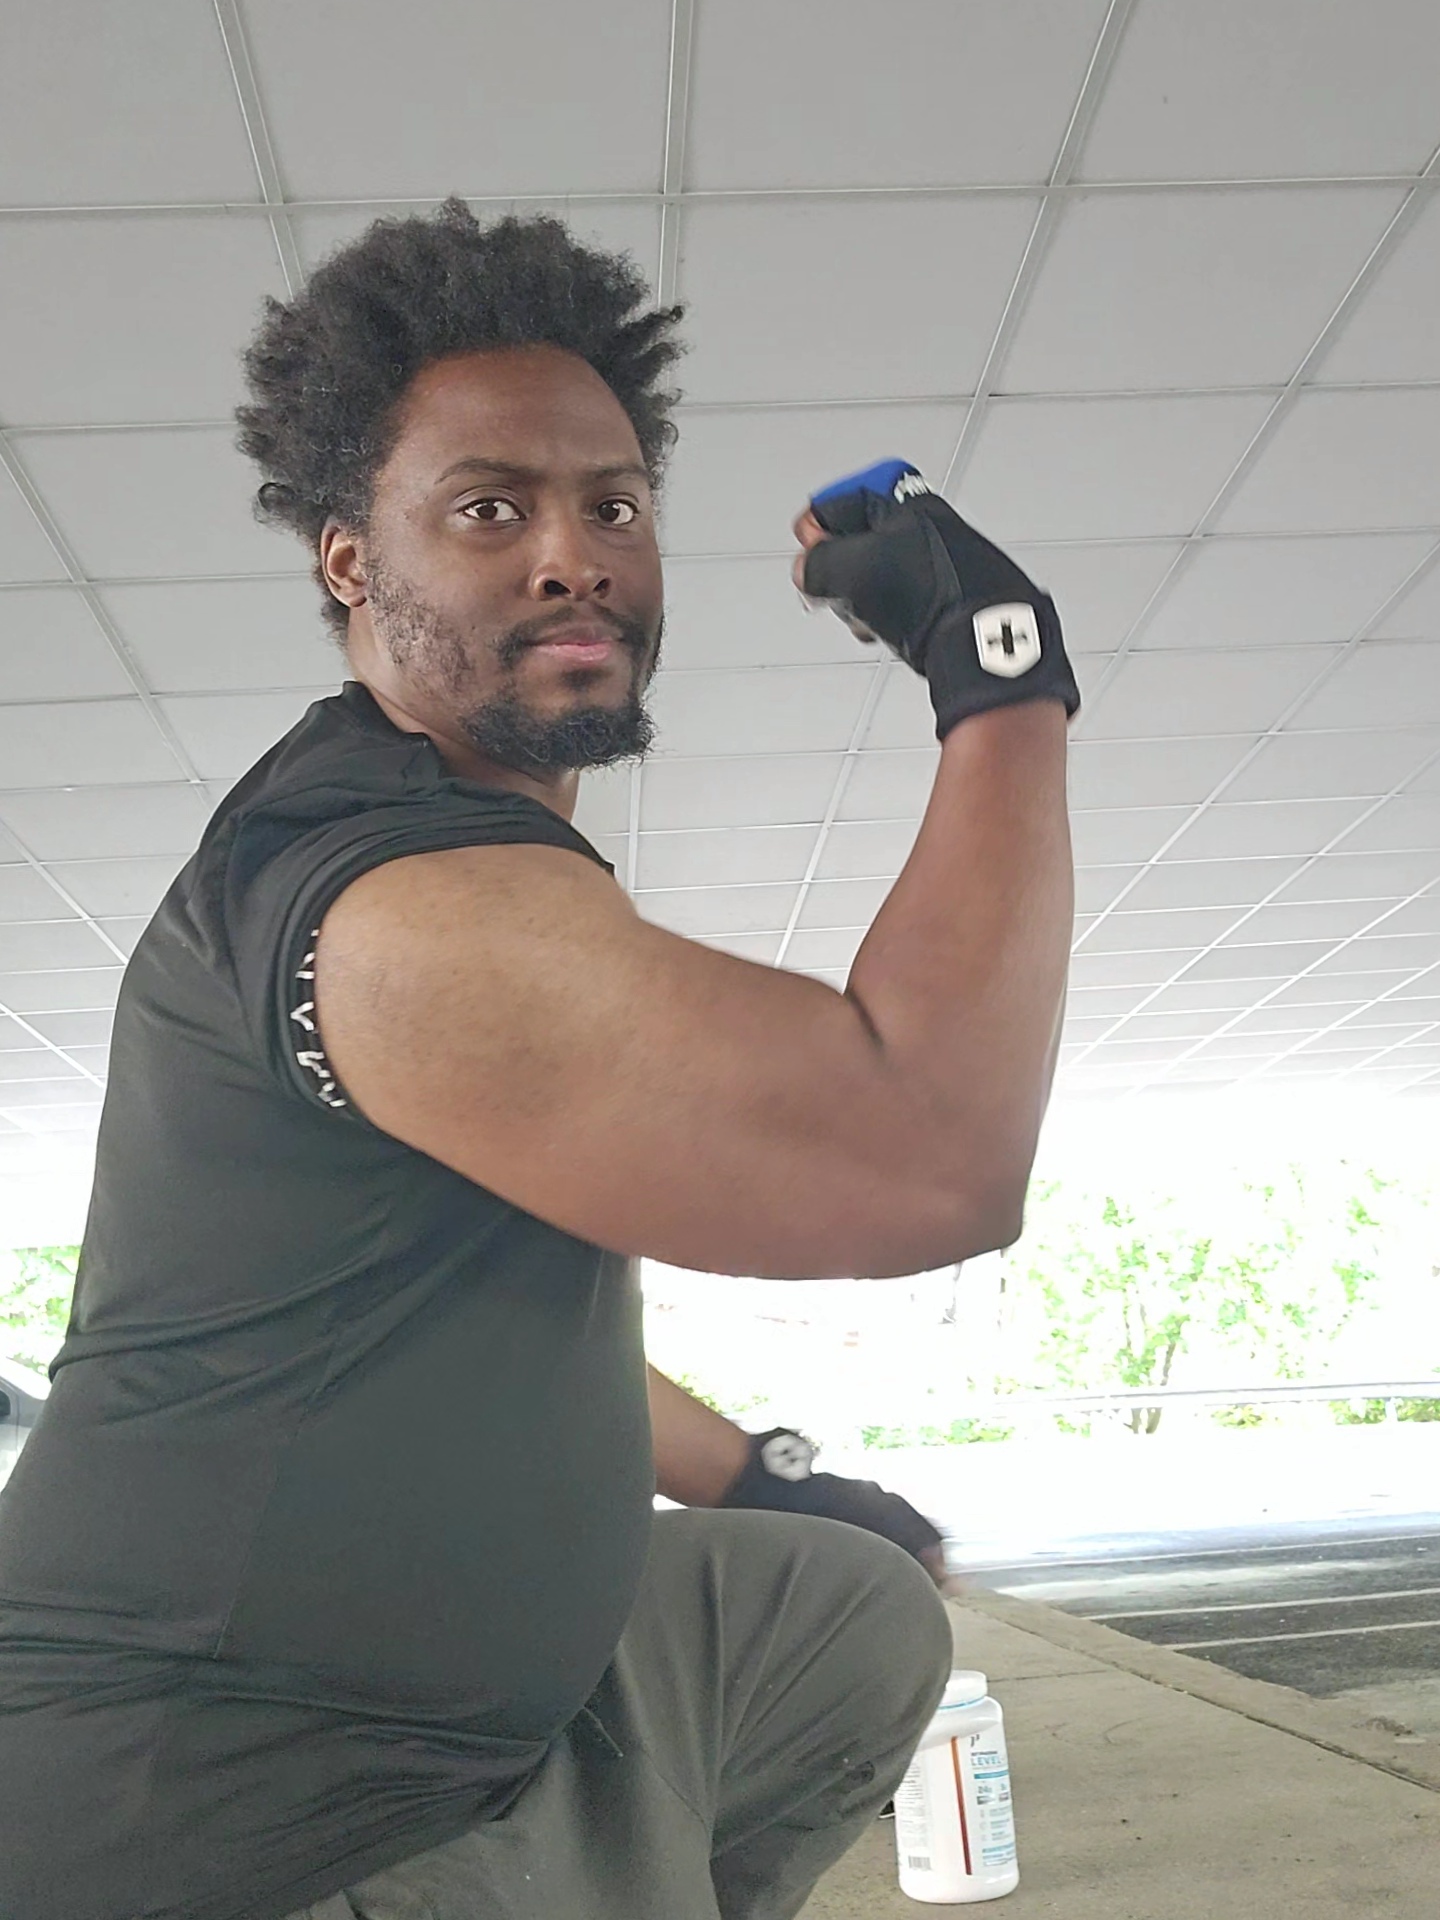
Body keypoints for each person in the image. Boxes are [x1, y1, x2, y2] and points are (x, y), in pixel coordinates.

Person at [0, 201, 1075, 1920]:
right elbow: (927, 1154)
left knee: (842, 1611)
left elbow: (491, 1327)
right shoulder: (396, 904)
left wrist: (761, 1475)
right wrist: (998, 673)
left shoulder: (482, 862)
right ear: (351, 563)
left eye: (613, 506)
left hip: (480, 1708)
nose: (573, 556)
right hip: (248, 1805)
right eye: (490, 508)